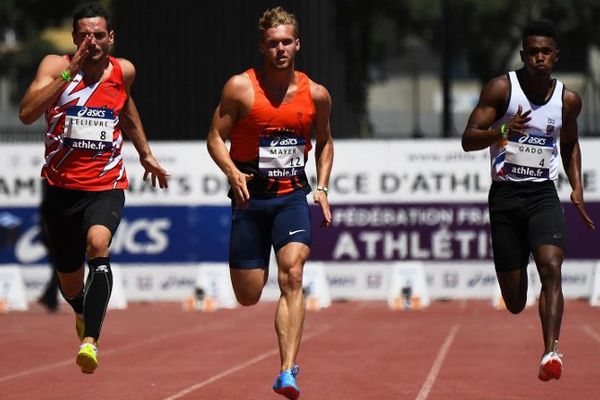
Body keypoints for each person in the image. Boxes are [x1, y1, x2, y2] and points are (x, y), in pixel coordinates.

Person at [19, 2, 168, 374]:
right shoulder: (56, 66)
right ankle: (81, 311)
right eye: (84, 35)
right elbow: (26, 113)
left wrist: (146, 153)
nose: (92, 42)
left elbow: (126, 106)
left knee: (98, 245)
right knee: (70, 282)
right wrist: (69, 72)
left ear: (111, 38)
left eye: (99, 35)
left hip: (106, 184)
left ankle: (91, 342)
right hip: (60, 189)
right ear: (74, 38)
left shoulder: (123, 71)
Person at [207, 6, 333, 399]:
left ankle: (287, 370)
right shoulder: (241, 88)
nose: (280, 49)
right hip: (250, 200)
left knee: (293, 275)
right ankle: (286, 364)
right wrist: (232, 172)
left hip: (291, 197)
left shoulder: (316, 94)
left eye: (286, 43)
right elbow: (214, 137)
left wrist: (323, 189)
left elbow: (325, 142)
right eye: (273, 44)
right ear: (262, 47)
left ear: (297, 44)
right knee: (248, 293)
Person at [462, 19, 595, 381]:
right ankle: (521, 292)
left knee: (552, 267)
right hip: (505, 197)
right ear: (523, 54)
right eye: (532, 52)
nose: (539, 58)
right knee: (516, 300)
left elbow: (569, 143)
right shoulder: (502, 89)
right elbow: (468, 138)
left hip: (542, 194)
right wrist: (502, 130)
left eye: (545, 52)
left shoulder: (568, 100)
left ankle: (551, 352)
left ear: (555, 56)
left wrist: (577, 186)